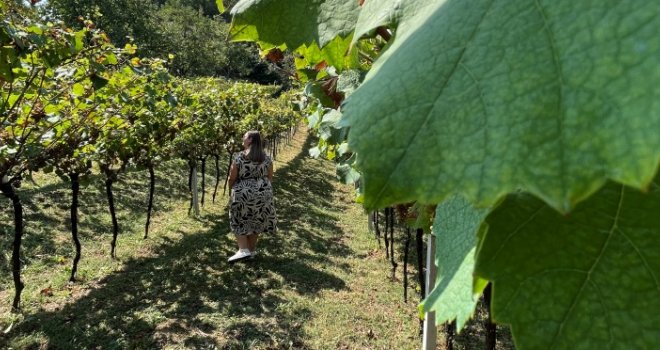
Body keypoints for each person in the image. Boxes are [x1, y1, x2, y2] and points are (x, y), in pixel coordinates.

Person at [227, 130, 276, 263]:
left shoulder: (239, 157)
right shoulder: (266, 158)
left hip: (243, 193)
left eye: (244, 137)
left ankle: (243, 249)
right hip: (263, 192)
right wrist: (261, 190)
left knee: (238, 219)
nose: (242, 139)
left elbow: (232, 178)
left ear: (250, 140)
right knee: (256, 221)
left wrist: (232, 190)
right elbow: (270, 176)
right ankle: (250, 252)